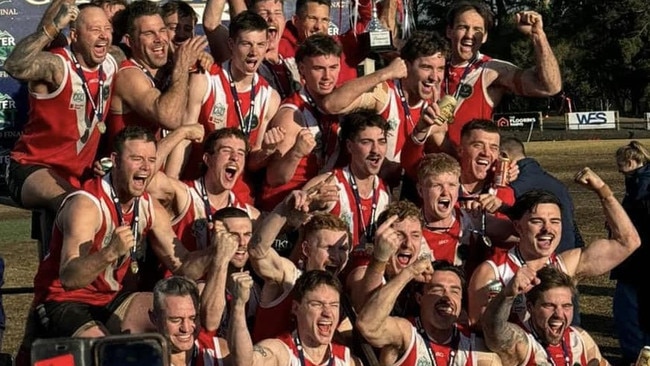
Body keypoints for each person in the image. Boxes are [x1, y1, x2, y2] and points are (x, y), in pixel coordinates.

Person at [468, 167, 641, 329]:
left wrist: (603, 192)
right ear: (518, 227)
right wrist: (507, 296)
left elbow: (628, 242)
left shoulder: (565, 266)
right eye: (537, 221)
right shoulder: (492, 272)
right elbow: (478, 332)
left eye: (555, 222)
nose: (548, 229)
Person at [5, 1, 115, 213]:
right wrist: (54, 26)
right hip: (33, 167)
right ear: (74, 36)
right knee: (77, 206)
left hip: (79, 174)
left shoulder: (113, 61)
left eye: (107, 28)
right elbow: (14, 65)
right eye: (94, 30)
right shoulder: (57, 66)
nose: (104, 35)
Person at [176, 11, 282, 204]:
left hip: (239, 197)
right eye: (246, 44)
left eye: (260, 44)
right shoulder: (206, 79)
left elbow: (252, 160)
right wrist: (172, 185)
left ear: (267, 46)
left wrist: (267, 151)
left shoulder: (270, 97)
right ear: (232, 45)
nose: (254, 52)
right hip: (198, 189)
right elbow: (184, 139)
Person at [319, 30, 447, 185]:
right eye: (426, 67)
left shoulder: (434, 105)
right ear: (406, 65)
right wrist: (384, 73)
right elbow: (330, 104)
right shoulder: (384, 93)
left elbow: (447, 150)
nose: (434, 77)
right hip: (350, 186)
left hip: (390, 192)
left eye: (440, 69)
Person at [441, 0, 561, 149]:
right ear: (449, 31)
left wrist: (538, 35)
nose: (469, 35)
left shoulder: (491, 70)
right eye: (462, 27)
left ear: (484, 36)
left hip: (471, 166)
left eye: (477, 29)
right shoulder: (432, 66)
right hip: (431, 167)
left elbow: (550, 87)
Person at [259, 34, 346, 211]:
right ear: (302, 69)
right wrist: (296, 153)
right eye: (318, 68)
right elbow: (275, 177)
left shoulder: (342, 102)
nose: (327, 76)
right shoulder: (292, 116)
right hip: (285, 207)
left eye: (333, 67)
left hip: (320, 199)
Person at [356, 260, 502, 366]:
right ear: (420, 298)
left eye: (455, 291)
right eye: (437, 289)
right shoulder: (406, 333)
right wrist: (408, 273)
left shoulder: (475, 347)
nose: (446, 297)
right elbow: (367, 326)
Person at [248, 189, 347, 342]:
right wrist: (283, 209)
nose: (336, 256)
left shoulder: (340, 296)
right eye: (328, 248)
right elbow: (257, 252)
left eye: (342, 249)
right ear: (306, 249)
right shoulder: (289, 277)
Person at [107, 0, 208, 143]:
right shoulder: (128, 75)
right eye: (149, 33)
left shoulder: (166, 67)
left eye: (162, 31)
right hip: (126, 163)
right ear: (130, 41)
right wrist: (182, 67)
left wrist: (202, 57)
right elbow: (170, 118)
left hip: (153, 162)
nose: (159, 39)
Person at [228, 269, 363, 365]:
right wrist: (238, 305)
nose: (327, 312)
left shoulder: (347, 361)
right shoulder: (281, 352)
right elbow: (244, 363)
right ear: (296, 308)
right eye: (317, 304)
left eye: (334, 305)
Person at [482, 266, 608, 366]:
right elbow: (492, 328)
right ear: (531, 308)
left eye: (566, 306)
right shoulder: (523, 344)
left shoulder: (580, 340)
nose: (559, 314)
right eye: (549, 306)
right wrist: (508, 295)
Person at [303, 111, 392, 247]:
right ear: (350, 146)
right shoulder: (327, 185)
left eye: (381, 142)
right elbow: (290, 223)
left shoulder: (385, 192)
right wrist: (308, 207)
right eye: (366, 142)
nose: (376, 150)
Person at [500, 137, 584, 254]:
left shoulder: (513, 187)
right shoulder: (558, 184)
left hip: (538, 257)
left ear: (504, 155)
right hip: (566, 255)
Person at [204, 0, 300, 99]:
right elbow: (211, 25)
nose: (272, 18)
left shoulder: (294, 62)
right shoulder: (242, 61)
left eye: (277, 13)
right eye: (264, 13)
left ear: (284, 20)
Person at [345, 200, 426, 312]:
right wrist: (380, 258)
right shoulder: (363, 267)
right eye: (398, 235)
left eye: (415, 235)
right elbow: (366, 312)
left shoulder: (422, 274)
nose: (407, 244)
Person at [611, 140, 650, 365]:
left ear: (631, 161)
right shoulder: (638, 182)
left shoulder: (641, 187)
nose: (618, 169)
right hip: (637, 263)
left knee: (629, 314)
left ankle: (635, 357)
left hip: (637, 263)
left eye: (620, 164)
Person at [150, 276, 231, 366]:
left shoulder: (218, 350)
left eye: (193, 318)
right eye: (176, 320)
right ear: (154, 318)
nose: (186, 328)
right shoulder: (142, 360)